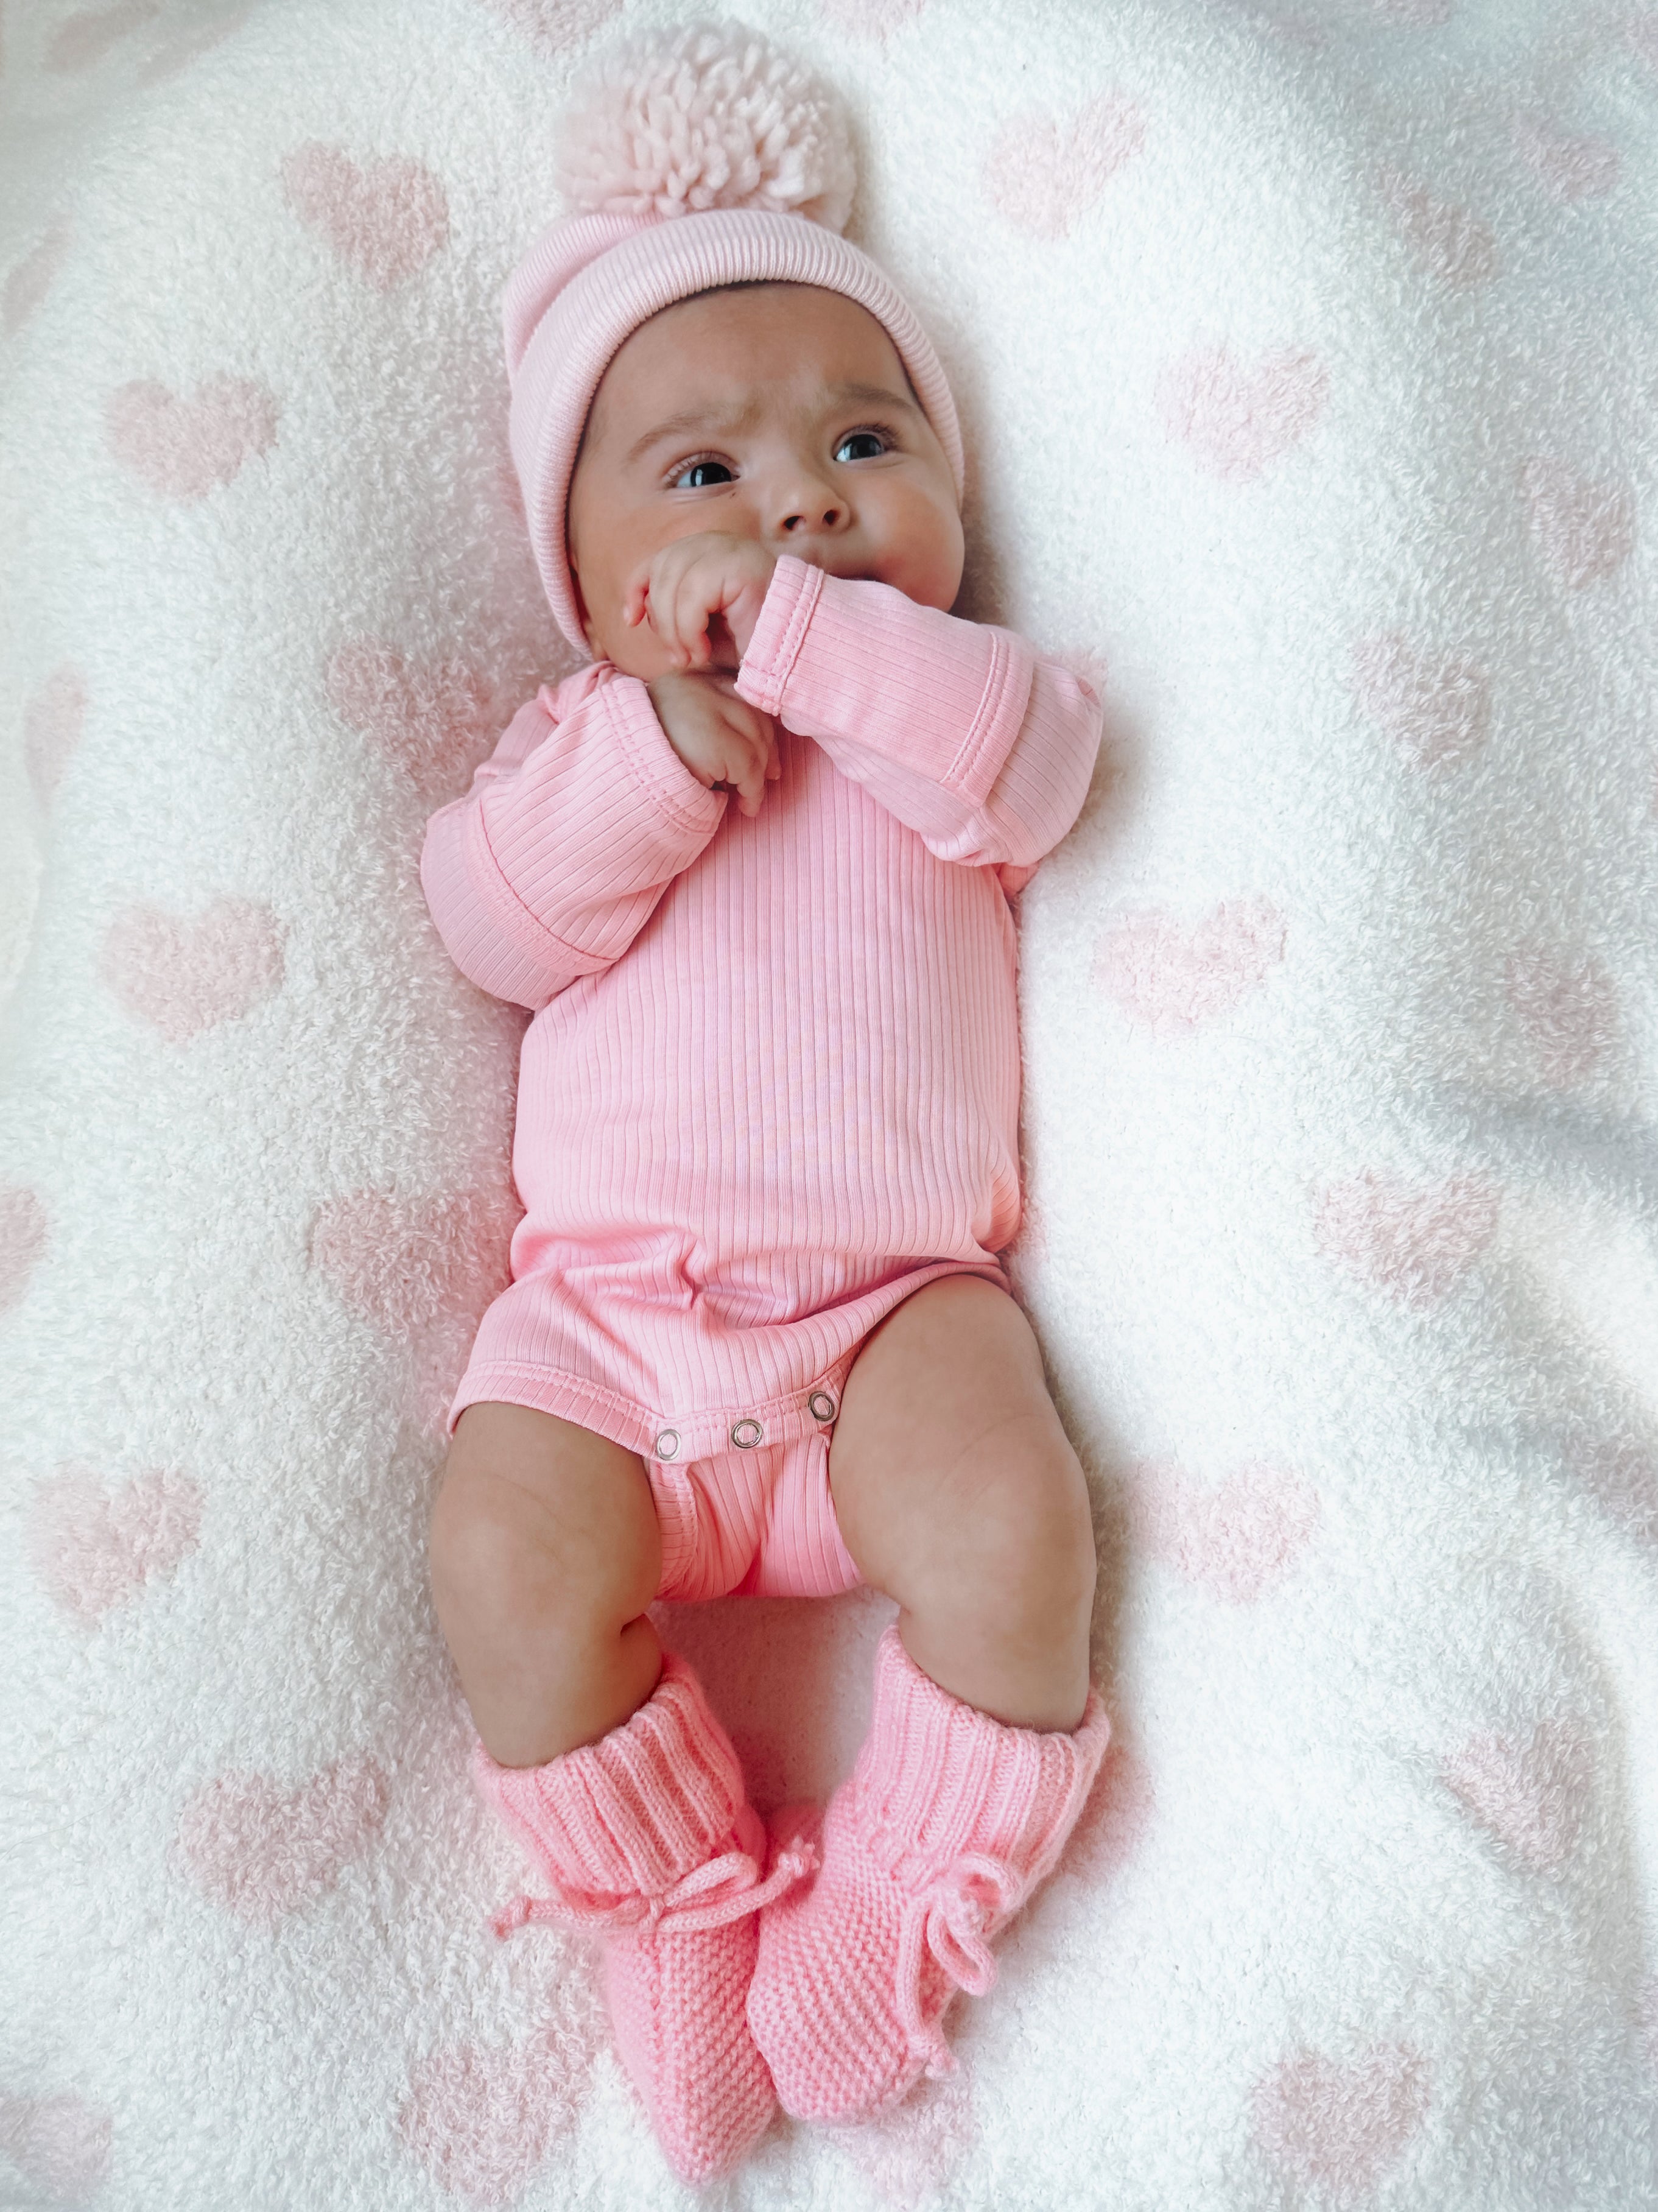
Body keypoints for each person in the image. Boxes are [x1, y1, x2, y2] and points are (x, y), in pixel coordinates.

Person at [420, 21, 1111, 2184]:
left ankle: (901, 1894)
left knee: (1012, 1527)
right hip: (608, 1331)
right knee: (503, 1567)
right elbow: (488, 920)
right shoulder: (577, 742)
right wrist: (644, 759)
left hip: (892, 1319)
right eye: (701, 472)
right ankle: (670, 1900)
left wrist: (819, 652)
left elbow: (1040, 770)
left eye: (863, 438)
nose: (799, 500)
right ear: (595, 575)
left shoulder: (950, 710)